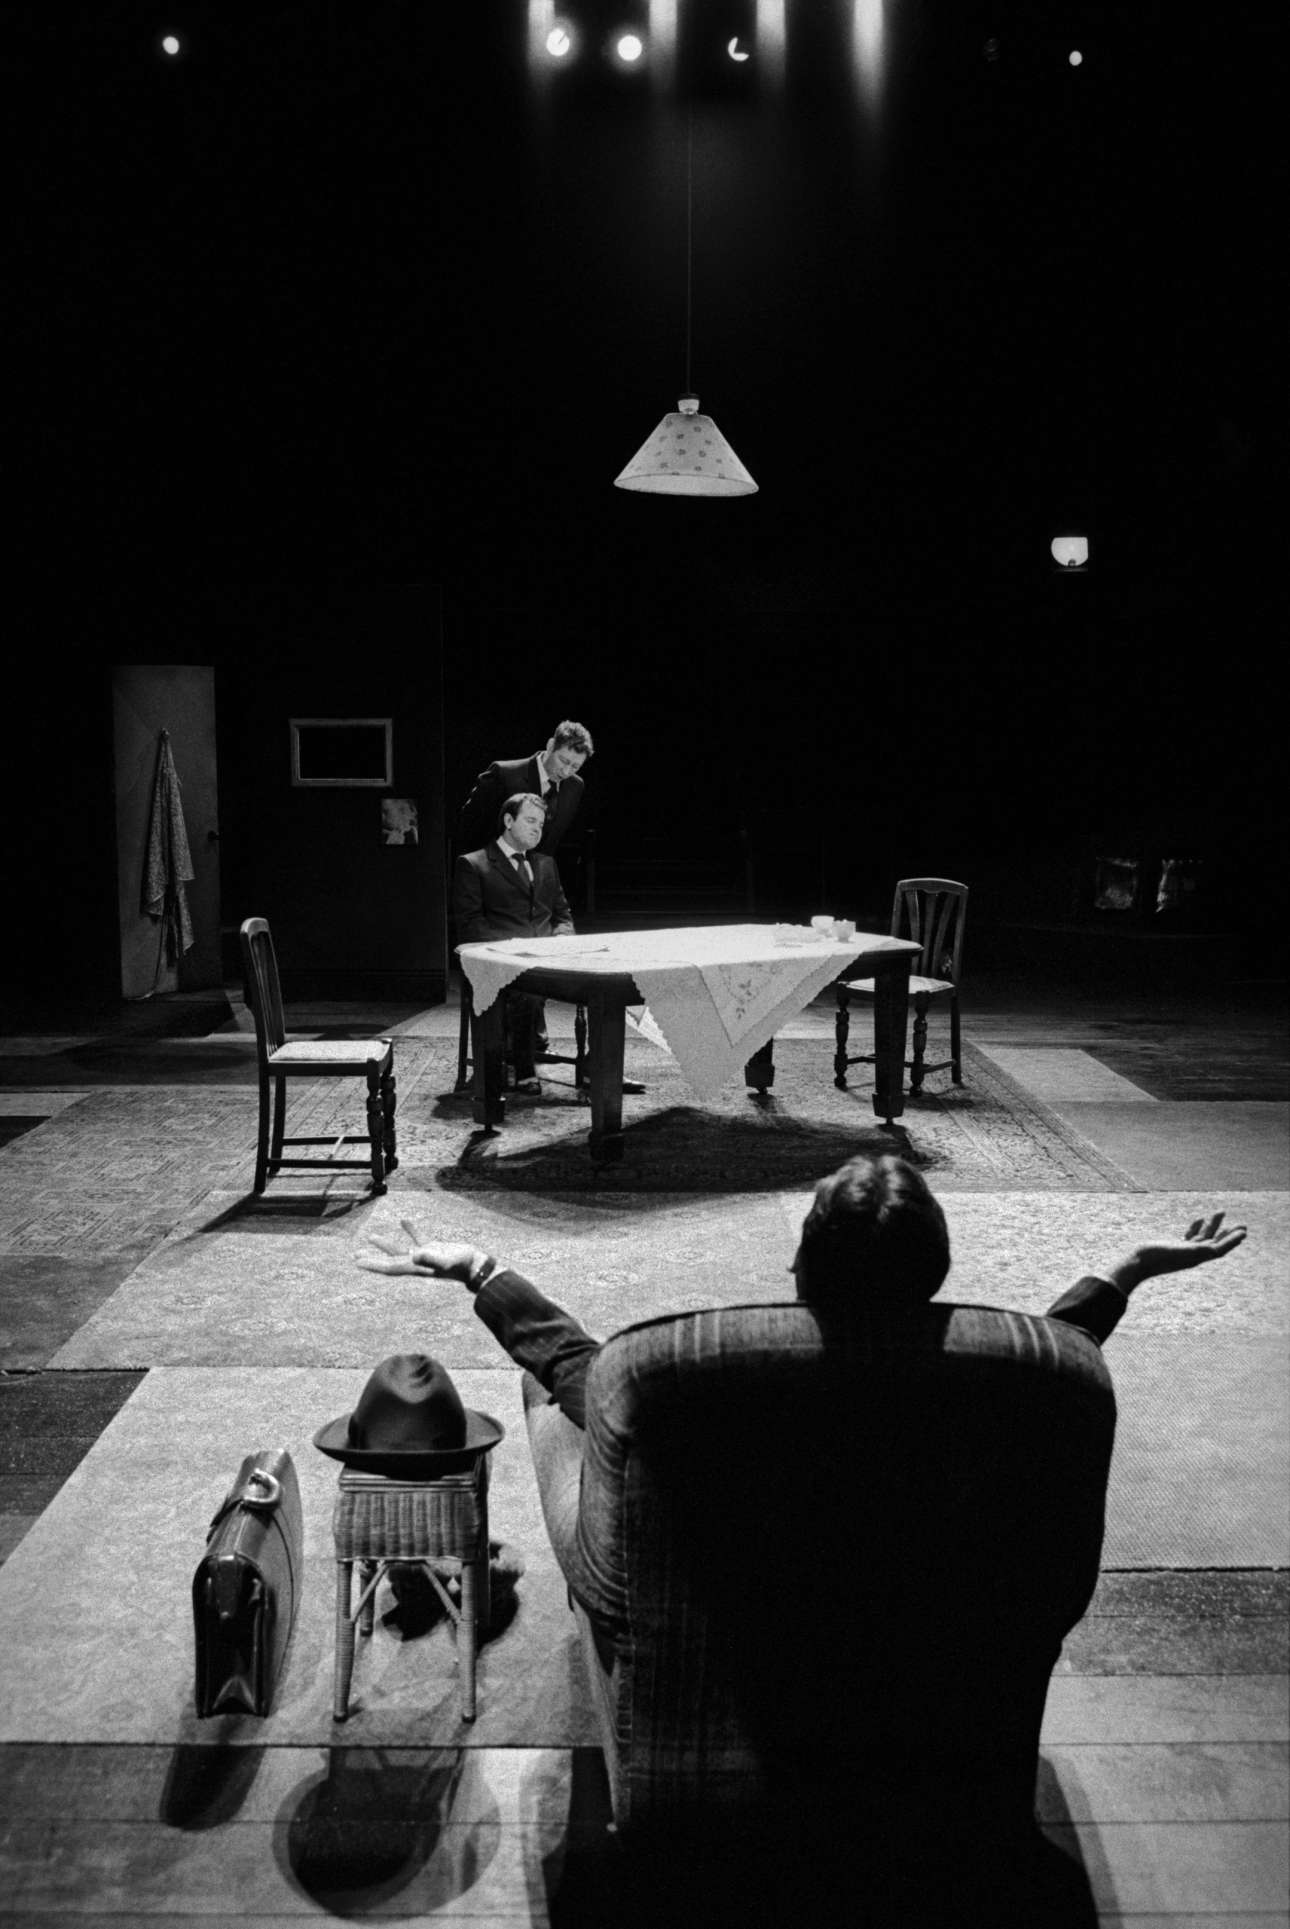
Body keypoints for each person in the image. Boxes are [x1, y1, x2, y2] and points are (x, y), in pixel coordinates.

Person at [357, 1152, 1248, 1431]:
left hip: (732, 1636)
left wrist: (479, 1266)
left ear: (803, 1269)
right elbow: (1062, 1341)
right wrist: (1127, 1268)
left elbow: (582, 1370)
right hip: (933, 1653)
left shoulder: (689, 1377)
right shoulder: (1013, 1377)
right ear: (937, 1266)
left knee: (554, 1411)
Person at [452, 790, 574, 1091]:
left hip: (551, 961)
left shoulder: (546, 864)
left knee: (605, 985)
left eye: (541, 824)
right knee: (527, 992)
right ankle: (523, 1068)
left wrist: (563, 935)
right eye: (530, 821)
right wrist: (517, 948)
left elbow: (562, 914)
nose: (537, 829)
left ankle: (594, 1068)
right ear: (508, 821)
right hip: (503, 963)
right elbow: (471, 926)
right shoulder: (474, 864)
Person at [457, 719, 593, 859]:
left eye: (575, 766)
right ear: (550, 746)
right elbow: (469, 828)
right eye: (563, 761)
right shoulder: (503, 775)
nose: (566, 772)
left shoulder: (575, 786)